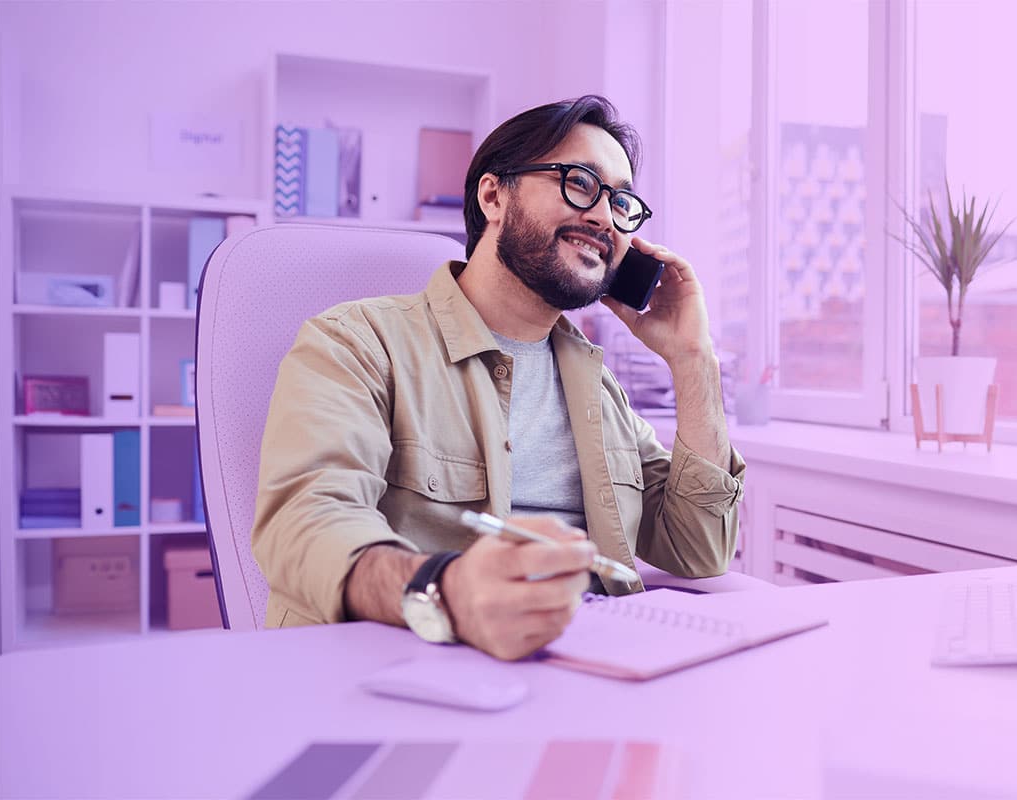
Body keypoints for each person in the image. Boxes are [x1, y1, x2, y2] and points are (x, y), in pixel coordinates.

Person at [252, 95, 746, 660]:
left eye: (622, 202)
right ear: (492, 195)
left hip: (592, 670)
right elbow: (305, 523)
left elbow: (700, 547)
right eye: (581, 183)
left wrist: (693, 358)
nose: (606, 218)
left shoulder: (597, 386)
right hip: (409, 670)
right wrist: (449, 592)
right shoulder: (356, 342)